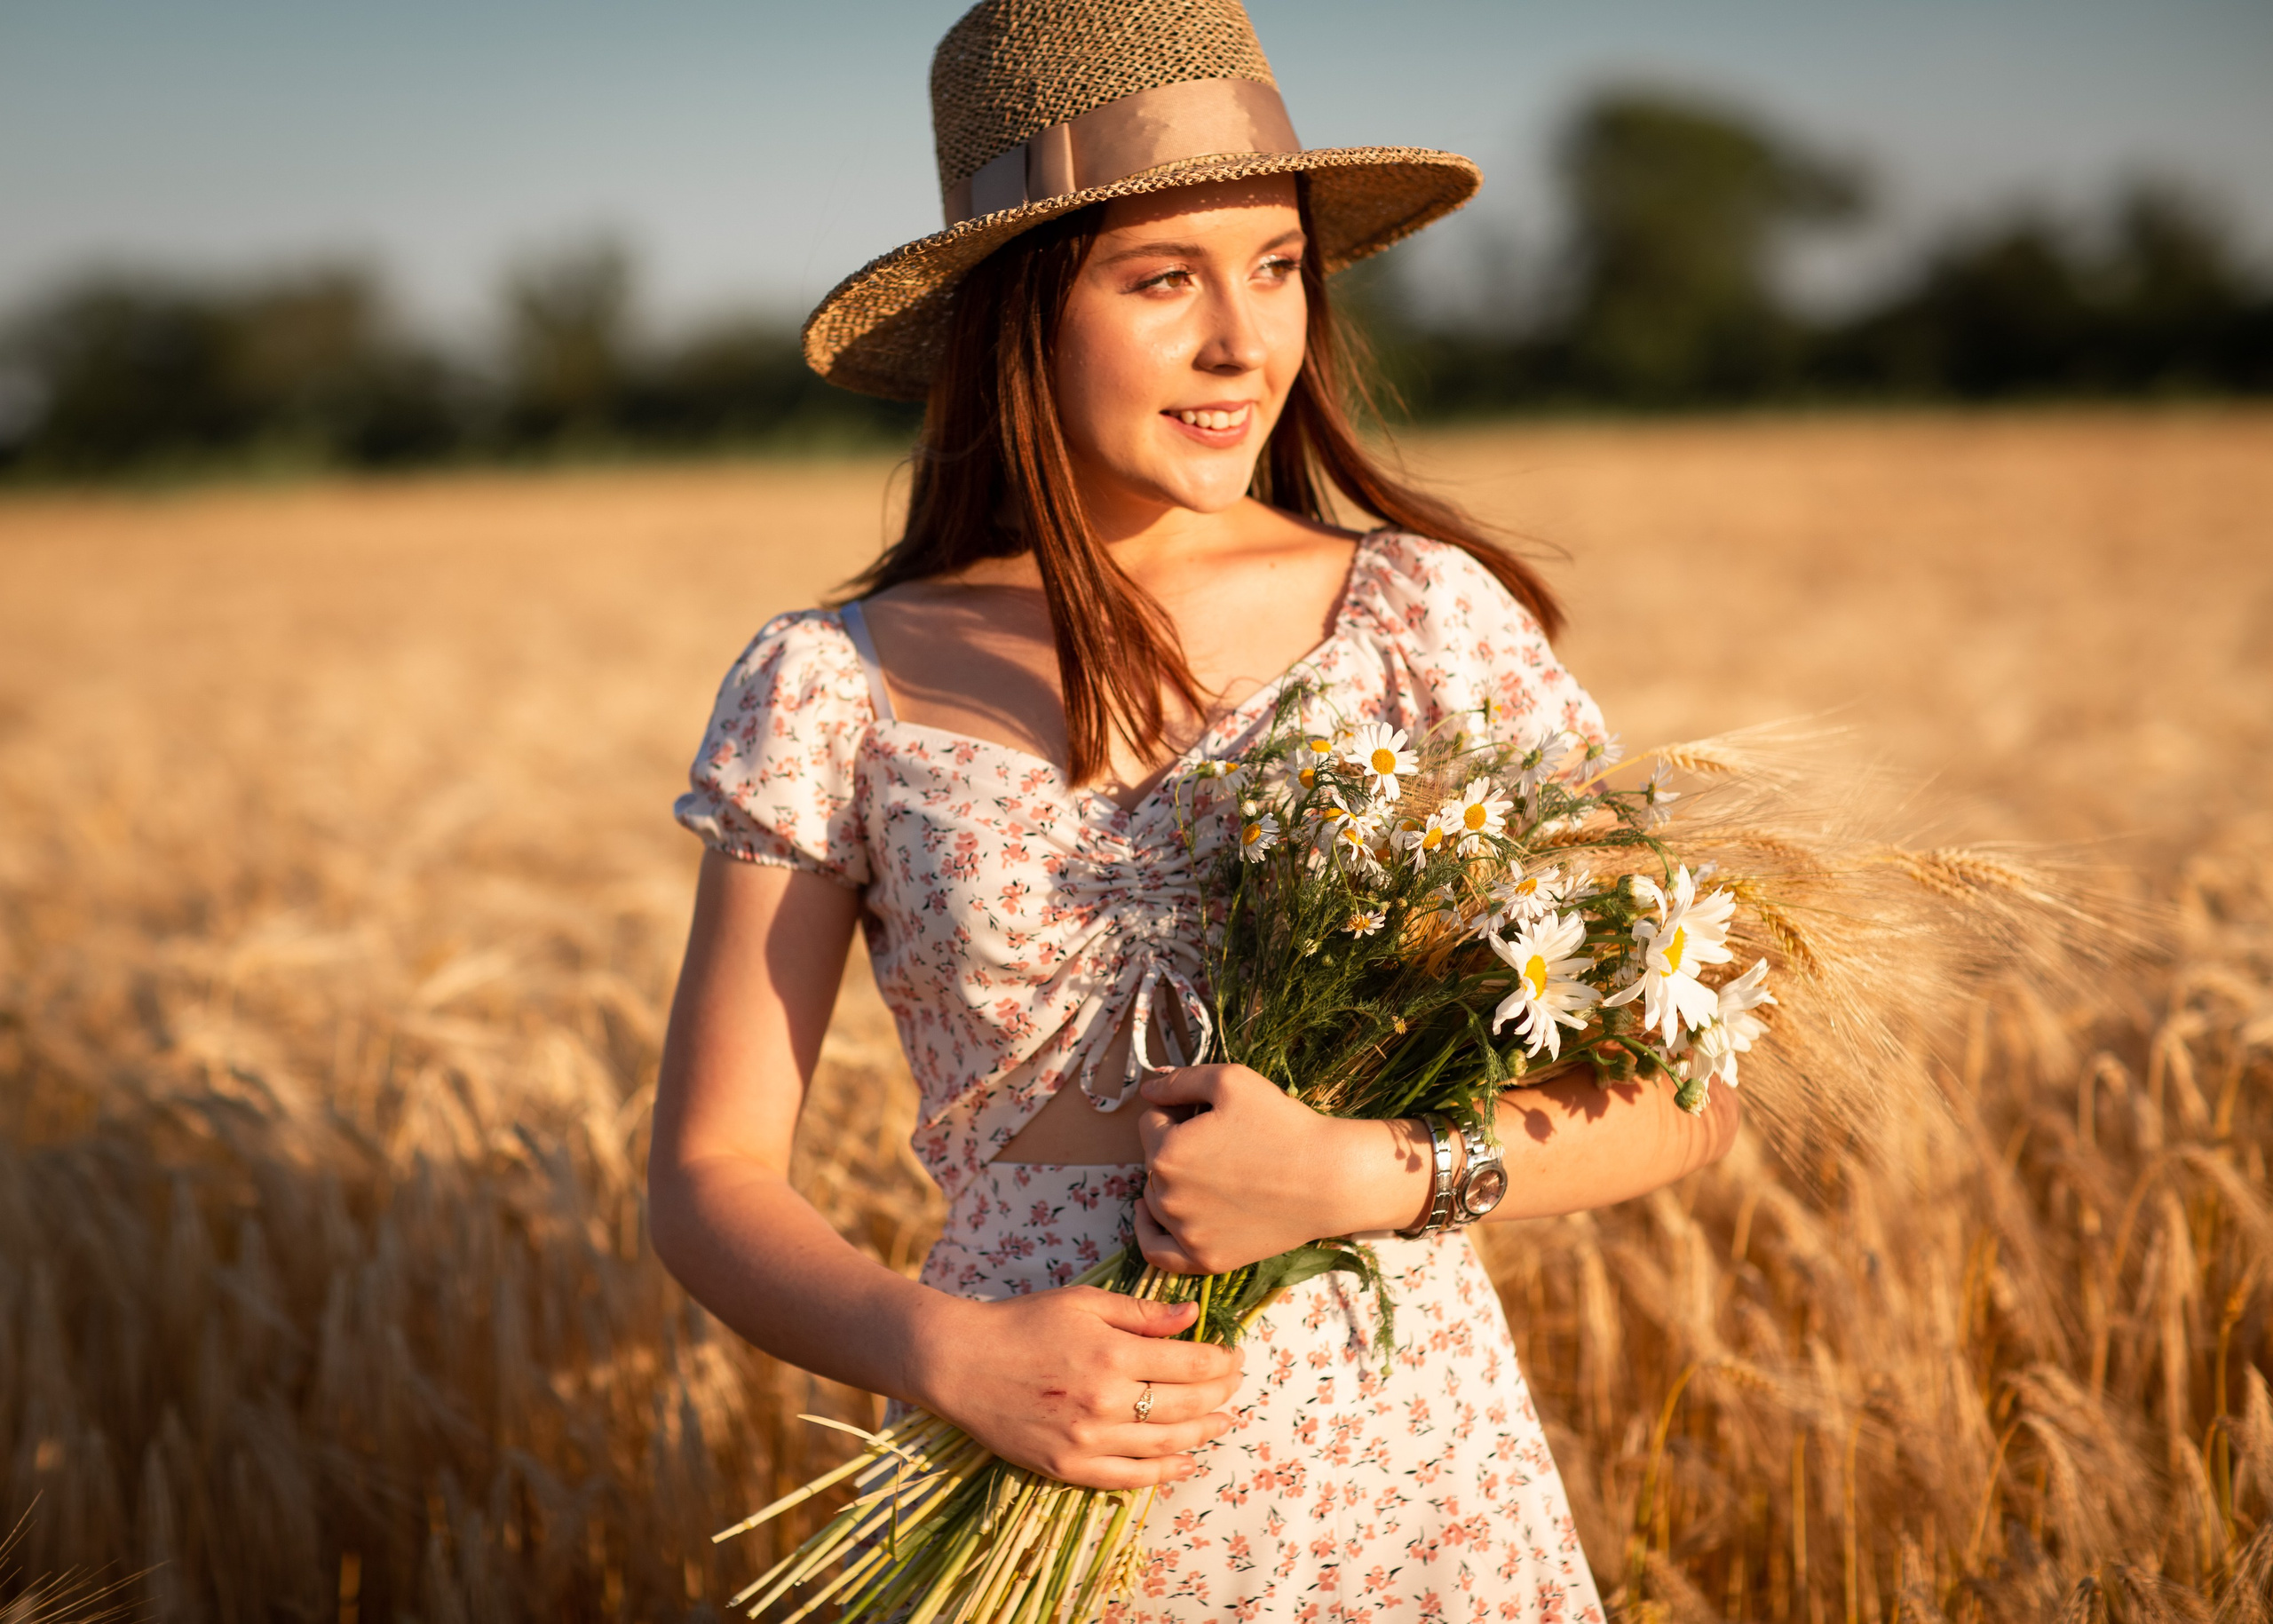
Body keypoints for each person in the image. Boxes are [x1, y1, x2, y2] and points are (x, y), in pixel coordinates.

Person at [648, 3, 1738, 1617]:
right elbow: (709, 1172)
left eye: (1280, 266)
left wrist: (1372, 1175)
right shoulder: (827, 682)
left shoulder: (1422, 621)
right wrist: (942, 1345)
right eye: (1164, 278)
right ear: (1020, 315)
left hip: (1402, 1473)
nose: (1246, 340)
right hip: (1025, 1473)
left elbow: (1684, 1098)